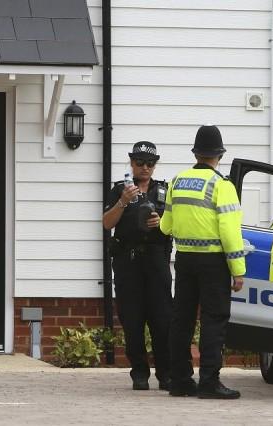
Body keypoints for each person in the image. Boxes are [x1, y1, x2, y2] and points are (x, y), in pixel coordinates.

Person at [159, 125, 246, 399]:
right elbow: (230, 233)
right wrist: (238, 270)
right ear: (219, 155)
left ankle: (180, 380)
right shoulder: (222, 186)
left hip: (184, 260)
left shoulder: (176, 181)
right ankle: (209, 381)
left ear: (196, 153)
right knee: (213, 321)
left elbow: (165, 226)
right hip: (213, 263)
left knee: (181, 320)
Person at [103, 141, 173, 391]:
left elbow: (176, 225)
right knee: (132, 319)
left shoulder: (166, 190)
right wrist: (122, 202)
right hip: (127, 261)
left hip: (156, 260)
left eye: (150, 163)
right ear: (131, 163)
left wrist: (161, 222)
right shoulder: (120, 190)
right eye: (140, 163)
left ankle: (166, 373)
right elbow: (107, 223)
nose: (145, 167)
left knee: (162, 319)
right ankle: (139, 373)